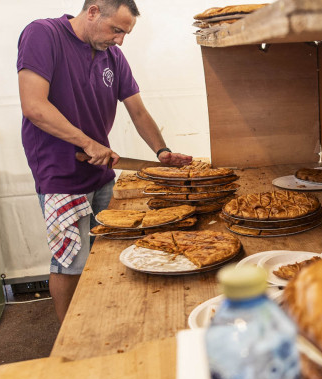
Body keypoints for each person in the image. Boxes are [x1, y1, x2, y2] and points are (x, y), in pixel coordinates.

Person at [17, 0, 192, 321]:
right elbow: (34, 107)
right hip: (60, 177)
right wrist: (87, 143)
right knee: (69, 263)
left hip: (100, 175)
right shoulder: (43, 34)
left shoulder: (113, 56)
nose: (120, 40)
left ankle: (97, 321)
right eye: (117, 30)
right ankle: (67, 338)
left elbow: (137, 111)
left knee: (105, 254)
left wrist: (161, 152)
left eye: (125, 33)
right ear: (94, 11)